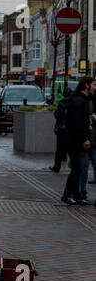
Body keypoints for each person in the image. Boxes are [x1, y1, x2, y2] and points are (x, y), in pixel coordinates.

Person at [61, 77, 96, 205]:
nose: (95, 87)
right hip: (73, 139)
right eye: (94, 84)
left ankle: (76, 196)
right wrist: (84, 138)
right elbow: (76, 122)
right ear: (87, 85)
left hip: (75, 138)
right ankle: (67, 195)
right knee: (77, 168)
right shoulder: (78, 101)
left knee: (78, 168)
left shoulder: (83, 100)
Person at [50, 86, 73, 173]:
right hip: (71, 128)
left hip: (62, 129)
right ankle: (74, 166)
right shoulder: (74, 102)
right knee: (71, 149)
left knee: (59, 149)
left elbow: (57, 115)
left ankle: (57, 167)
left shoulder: (62, 103)